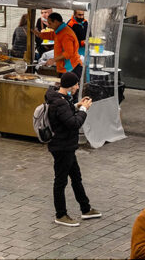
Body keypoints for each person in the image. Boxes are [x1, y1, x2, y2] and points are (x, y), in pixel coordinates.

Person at [44, 71, 99, 227]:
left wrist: (77, 105)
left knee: (76, 176)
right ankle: (60, 214)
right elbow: (73, 123)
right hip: (62, 147)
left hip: (66, 146)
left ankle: (85, 208)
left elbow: (64, 114)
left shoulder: (60, 98)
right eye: (76, 84)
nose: (77, 87)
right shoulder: (60, 102)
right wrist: (83, 110)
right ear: (70, 86)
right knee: (60, 181)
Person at [43, 12, 82, 78]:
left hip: (71, 68)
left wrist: (53, 60)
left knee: (68, 87)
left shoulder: (65, 34)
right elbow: (51, 35)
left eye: (50, 23)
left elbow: (68, 53)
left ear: (55, 22)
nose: (48, 26)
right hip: (65, 68)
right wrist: (39, 34)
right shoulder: (59, 31)